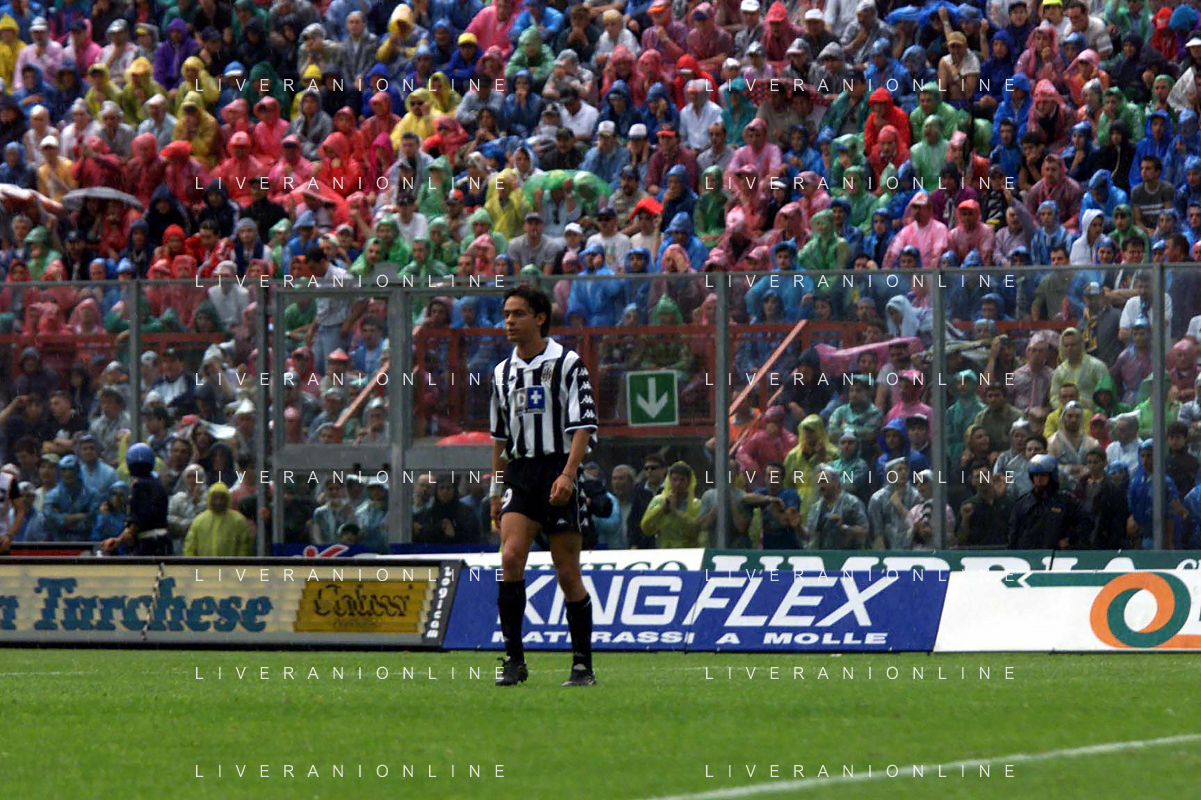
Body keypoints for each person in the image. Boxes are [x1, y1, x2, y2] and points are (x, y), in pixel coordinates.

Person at [489, 284, 598, 687]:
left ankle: (582, 665)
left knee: (566, 571)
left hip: (558, 467)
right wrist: (495, 490)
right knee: (510, 557)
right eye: (506, 314)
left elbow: (584, 424)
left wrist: (569, 474)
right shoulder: (501, 373)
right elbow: (499, 438)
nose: (509, 322)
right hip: (521, 473)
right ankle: (513, 659)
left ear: (540, 318)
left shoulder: (568, 363)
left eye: (517, 314)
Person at [1008, 454, 1091, 549]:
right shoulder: (1023, 503)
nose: (1039, 479)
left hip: (1056, 554)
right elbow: (1013, 532)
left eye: (1043, 475)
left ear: (1051, 476)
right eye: (1036, 475)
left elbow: (1086, 521)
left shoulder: (1065, 501)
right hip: (1028, 554)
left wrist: (1071, 540)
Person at [101, 442, 171, 554]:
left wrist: (118, 540)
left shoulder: (140, 485)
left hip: (149, 545)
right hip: (162, 543)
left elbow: (139, 520)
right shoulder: (157, 483)